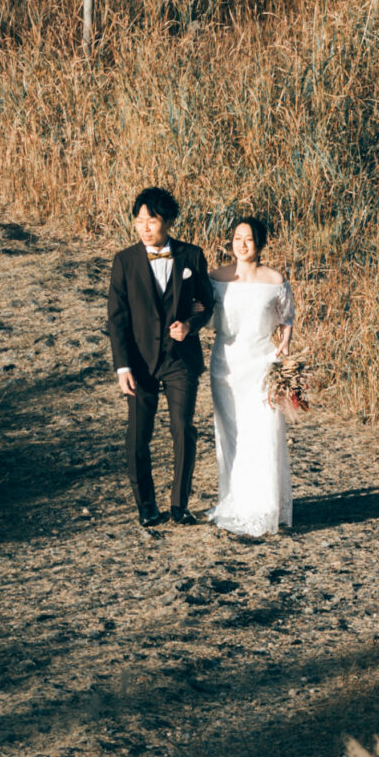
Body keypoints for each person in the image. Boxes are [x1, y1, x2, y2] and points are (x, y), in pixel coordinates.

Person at [106, 186, 214, 532]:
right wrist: (122, 366)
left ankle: (179, 505)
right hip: (139, 363)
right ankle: (147, 505)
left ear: (167, 221)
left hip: (181, 359)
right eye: (139, 221)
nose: (144, 227)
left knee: (183, 429)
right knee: (138, 435)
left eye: (150, 220)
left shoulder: (192, 256)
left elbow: (207, 305)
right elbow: (117, 318)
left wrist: (191, 325)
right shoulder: (124, 261)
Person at [207, 212, 295, 540]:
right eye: (237, 238)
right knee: (231, 436)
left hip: (261, 365)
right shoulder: (216, 277)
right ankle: (235, 502)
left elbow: (287, 315)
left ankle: (263, 507)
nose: (242, 245)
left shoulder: (274, 279)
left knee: (263, 434)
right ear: (231, 242)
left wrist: (284, 342)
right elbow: (202, 313)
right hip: (225, 365)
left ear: (260, 245)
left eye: (249, 239)